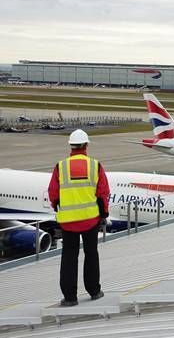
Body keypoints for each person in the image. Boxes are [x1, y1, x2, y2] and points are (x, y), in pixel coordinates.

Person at [48, 129, 110, 307]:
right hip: (91, 219)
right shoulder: (95, 165)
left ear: (70, 145)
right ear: (86, 145)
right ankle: (94, 291)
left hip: (68, 222)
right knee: (91, 255)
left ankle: (70, 297)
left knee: (69, 257)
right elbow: (103, 193)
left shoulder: (60, 166)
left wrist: (59, 209)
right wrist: (103, 214)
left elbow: (53, 193)